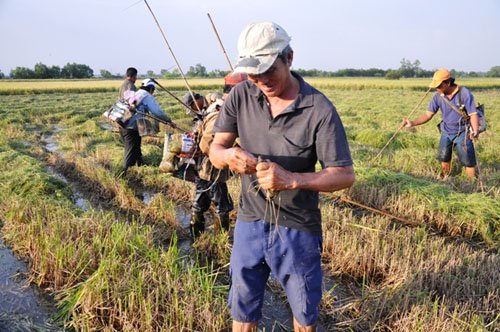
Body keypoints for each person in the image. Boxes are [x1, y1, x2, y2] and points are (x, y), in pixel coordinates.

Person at [208, 22, 355, 331]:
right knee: (243, 309)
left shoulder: (319, 109)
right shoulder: (240, 96)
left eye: (268, 71)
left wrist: (291, 179)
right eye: (253, 73)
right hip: (249, 220)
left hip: (297, 227)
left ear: (289, 58)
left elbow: (344, 175)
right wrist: (228, 157)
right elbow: (215, 148)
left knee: (303, 312)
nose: (261, 81)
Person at [186, 74, 248, 239]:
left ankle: (195, 232)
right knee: (222, 203)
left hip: (203, 166)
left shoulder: (220, 104)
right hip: (212, 166)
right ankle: (221, 237)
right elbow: (207, 143)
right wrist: (229, 152)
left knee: (201, 197)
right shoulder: (221, 113)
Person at [403, 68, 480, 179]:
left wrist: (475, 131)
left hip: (463, 132)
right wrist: (412, 123)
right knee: (444, 157)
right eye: (436, 86)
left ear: (448, 82)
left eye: (439, 86)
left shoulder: (464, 94)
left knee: (468, 160)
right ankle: (445, 178)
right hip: (446, 131)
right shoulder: (437, 96)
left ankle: (472, 183)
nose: (437, 89)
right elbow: (428, 115)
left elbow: (473, 114)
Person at [119, 78, 171, 174]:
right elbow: (157, 112)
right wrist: (168, 120)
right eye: (153, 90)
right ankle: (123, 175)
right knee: (130, 152)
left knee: (136, 147)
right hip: (130, 127)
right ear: (151, 88)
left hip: (124, 124)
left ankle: (140, 165)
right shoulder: (146, 95)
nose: (153, 92)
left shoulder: (137, 93)